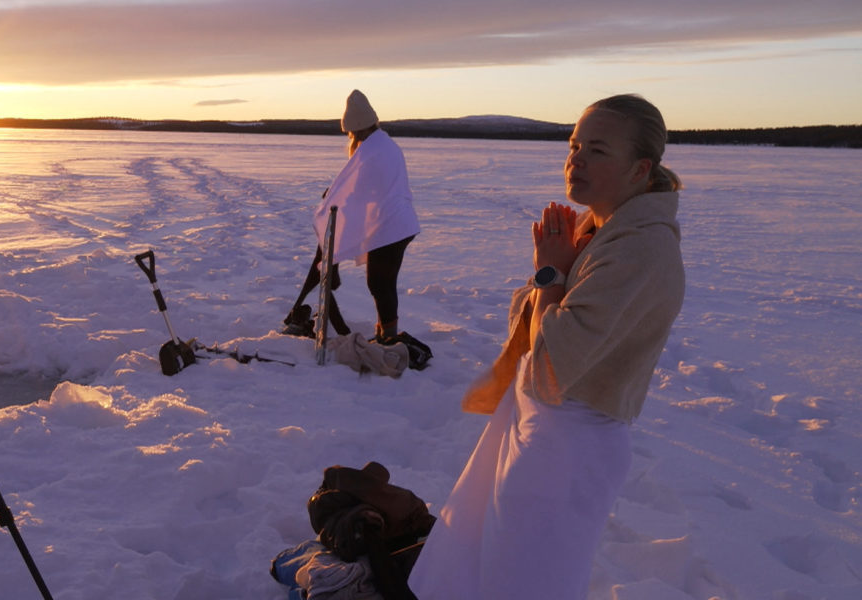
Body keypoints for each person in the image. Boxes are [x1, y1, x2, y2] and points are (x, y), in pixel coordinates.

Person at [407, 94, 685, 599]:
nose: (575, 159)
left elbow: (554, 362)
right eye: (575, 145)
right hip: (539, 422)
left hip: (571, 441)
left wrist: (552, 272)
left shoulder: (641, 248)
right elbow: (537, 324)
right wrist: (551, 277)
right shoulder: (600, 228)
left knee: (525, 581)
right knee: (479, 562)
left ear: (639, 168)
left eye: (597, 150)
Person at [282, 89, 421, 346]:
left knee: (380, 283)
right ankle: (385, 335)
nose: (351, 138)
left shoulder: (372, 150)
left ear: (356, 130)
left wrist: (332, 198)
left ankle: (388, 340)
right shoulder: (384, 145)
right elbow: (367, 188)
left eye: (351, 134)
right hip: (397, 224)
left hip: (391, 225)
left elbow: (355, 189)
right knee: (382, 282)